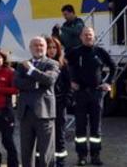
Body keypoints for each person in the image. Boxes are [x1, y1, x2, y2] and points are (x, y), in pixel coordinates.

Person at [66, 27, 117, 166]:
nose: (88, 37)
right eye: (85, 35)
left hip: (96, 94)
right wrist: (71, 81)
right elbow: (66, 66)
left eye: (90, 35)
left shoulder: (100, 52)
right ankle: (81, 156)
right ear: (81, 37)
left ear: (94, 37)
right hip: (80, 94)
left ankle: (95, 155)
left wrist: (108, 82)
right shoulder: (75, 52)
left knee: (96, 128)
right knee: (80, 127)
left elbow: (113, 67)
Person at [15, 36, 60, 167]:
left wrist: (32, 70)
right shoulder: (21, 65)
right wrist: (36, 83)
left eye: (41, 45)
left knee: (47, 152)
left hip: (44, 113)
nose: (38, 47)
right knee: (26, 152)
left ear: (46, 48)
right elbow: (17, 83)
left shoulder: (52, 63)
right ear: (30, 48)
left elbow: (49, 80)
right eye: (35, 45)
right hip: (26, 113)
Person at [47, 36, 72, 167]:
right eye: (49, 47)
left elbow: (69, 85)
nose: (51, 50)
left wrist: (66, 100)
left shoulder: (64, 65)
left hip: (59, 104)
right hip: (44, 105)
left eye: (54, 48)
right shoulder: (42, 64)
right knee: (45, 135)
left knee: (59, 135)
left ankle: (60, 162)